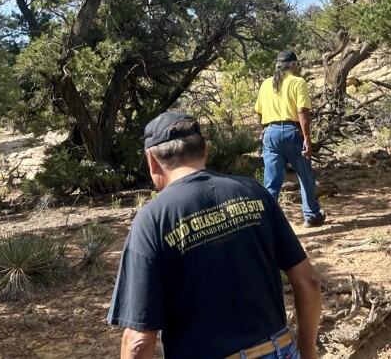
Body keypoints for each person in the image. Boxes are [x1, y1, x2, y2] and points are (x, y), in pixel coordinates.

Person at [107, 111, 322, 359]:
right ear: (204, 150)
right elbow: (309, 281)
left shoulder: (152, 220)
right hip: (278, 350)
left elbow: (138, 342)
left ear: (151, 160)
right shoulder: (255, 192)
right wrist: (307, 350)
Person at [254, 51, 326, 228]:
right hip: (292, 132)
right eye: (297, 65)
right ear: (293, 65)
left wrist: (264, 131)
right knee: (305, 175)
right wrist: (307, 139)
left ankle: (267, 222)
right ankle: (311, 215)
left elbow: (259, 112)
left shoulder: (265, 84)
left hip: (270, 132)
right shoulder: (298, 82)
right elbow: (302, 111)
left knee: (272, 181)